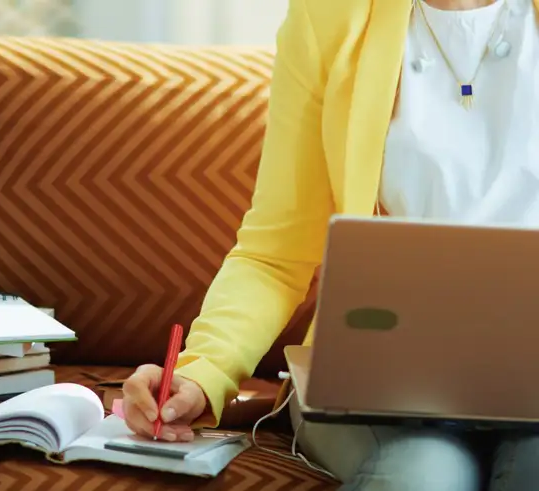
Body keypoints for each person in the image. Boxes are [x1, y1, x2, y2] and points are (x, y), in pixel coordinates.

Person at [121, 0, 539, 489]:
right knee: (423, 474)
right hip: (376, 381)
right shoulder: (328, 17)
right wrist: (201, 371)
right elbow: (275, 254)